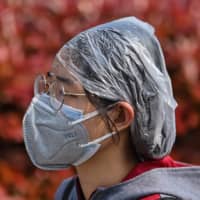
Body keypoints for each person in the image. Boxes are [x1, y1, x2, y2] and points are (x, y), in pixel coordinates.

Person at [22, 17, 200, 200]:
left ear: (119, 116)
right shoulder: (70, 193)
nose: (45, 103)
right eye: (49, 86)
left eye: (63, 92)